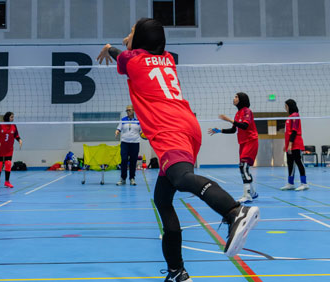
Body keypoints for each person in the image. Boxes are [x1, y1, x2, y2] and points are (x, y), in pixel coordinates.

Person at [97, 18, 259, 282]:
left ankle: (233, 212)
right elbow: (133, 51)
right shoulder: (168, 59)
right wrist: (125, 44)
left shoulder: (132, 60)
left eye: (131, 32)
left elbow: (120, 53)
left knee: (181, 178)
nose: (127, 36)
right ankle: (176, 272)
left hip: (167, 127)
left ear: (139, 40)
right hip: (187, 125)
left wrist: (110, 47)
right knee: (162, 199)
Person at [208, 93, 259, 203]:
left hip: (251, 141)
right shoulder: (238, 114)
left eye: (236, 97)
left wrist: (229, 119)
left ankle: (247, 195)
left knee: (243, 167)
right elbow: (233, 130)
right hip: (242, 143)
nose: (234, 98)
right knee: (243, 167)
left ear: (241, 99)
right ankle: (253, 193)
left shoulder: (247, 111)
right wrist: (219, 130)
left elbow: (244, 126)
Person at [280, 99, 308, 191]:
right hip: (290, 144)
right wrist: (286, 144)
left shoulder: (295, 116)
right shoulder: (290, 117)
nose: (285, 108)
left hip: (296, 143)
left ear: (289, 106)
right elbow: (288, 133)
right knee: (290, 163)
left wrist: (290, 144)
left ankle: (304, 183)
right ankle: (290, 183)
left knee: (299, 162)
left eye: (286, 106)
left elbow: (294, 131)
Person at [0, 111, 22, 188]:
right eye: (11, 117)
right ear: (7, 117)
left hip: (9, 148)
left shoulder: (13, 125)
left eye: (13, 117)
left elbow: (16, 135)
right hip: (0, 148)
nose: (12, 119)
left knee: (8, 164)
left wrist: (20, 140)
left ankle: (7, 182)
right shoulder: (0, 125)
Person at [116, 105, 143, 186]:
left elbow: (142, 130)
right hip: (125, 143)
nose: (128, 112)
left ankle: (132, 178)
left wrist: (143, 133)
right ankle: (123, 178)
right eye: (127, 110)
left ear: (134, 111)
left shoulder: (138, 120)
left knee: (133, 161)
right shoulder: (123, 120)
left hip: (135, 143)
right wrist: (117, 131)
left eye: (129, 110)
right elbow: (119, 128)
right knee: (124, 160)